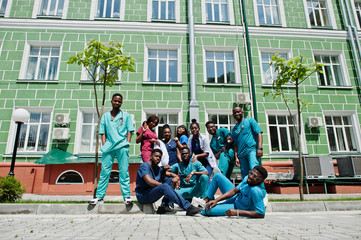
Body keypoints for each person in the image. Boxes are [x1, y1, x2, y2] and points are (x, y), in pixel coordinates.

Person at [89, 93, 134, 205]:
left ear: (121, 103)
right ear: (111, 101)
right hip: (108, 147)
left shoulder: (126, 116)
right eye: (115, 101)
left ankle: (127, 196)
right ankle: (99, 197)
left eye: (119, 101)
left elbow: (130, 130)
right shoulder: (105, 116)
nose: (117, 103)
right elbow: (102, 132)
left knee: (124, 171)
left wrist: (127, 143)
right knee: (105, 172)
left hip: (122, 146)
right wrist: (104, 145)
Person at [135, 149, 202, 216]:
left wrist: (175, 176)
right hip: (143, 196)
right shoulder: (144, 166)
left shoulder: (157, 168)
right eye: (156, 156)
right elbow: (150, 182)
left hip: (151, 193)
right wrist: (163, 185)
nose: (158, 158)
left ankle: (165, 206)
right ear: (151, 156)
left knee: (170, 181)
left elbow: (168, 174)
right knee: (165, 186)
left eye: (160, 157)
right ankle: (188, 207)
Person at [200, 166, 268, 218]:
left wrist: (237, 212)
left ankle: (203, 207)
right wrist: (216, 200)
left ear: (261, 181)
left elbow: (261, 214)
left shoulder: (256, 191)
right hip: (235, 198)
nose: (250, 176)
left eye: (255, 176)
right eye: (251, 173)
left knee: (207, 210)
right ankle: (206, 200)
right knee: (218, 176)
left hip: (237, 207)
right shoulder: (247, 178)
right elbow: (234, 190)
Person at [231, 106, 263, 180]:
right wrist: (236, 157)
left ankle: (261, 190)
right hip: (241, 154)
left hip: (251, 150)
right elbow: (235, 145)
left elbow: (259, 133)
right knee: (245, 174)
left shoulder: (250, 121)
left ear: (242, 112)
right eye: (235, 113)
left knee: (254, 170)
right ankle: (246, 191)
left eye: (238, 111)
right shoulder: (234, 130)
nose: (237, 114)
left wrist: (260, 148)